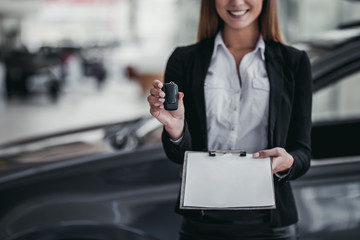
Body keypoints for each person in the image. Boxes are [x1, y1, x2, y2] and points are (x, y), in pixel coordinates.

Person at [147, 0, 312, 239]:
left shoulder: (294, 63)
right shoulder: (184, 59)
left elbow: (303, 154)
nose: (236, 2)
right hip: (202, 222)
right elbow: (177, 155)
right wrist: (176, 130)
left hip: (269, 224)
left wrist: (288, 162)